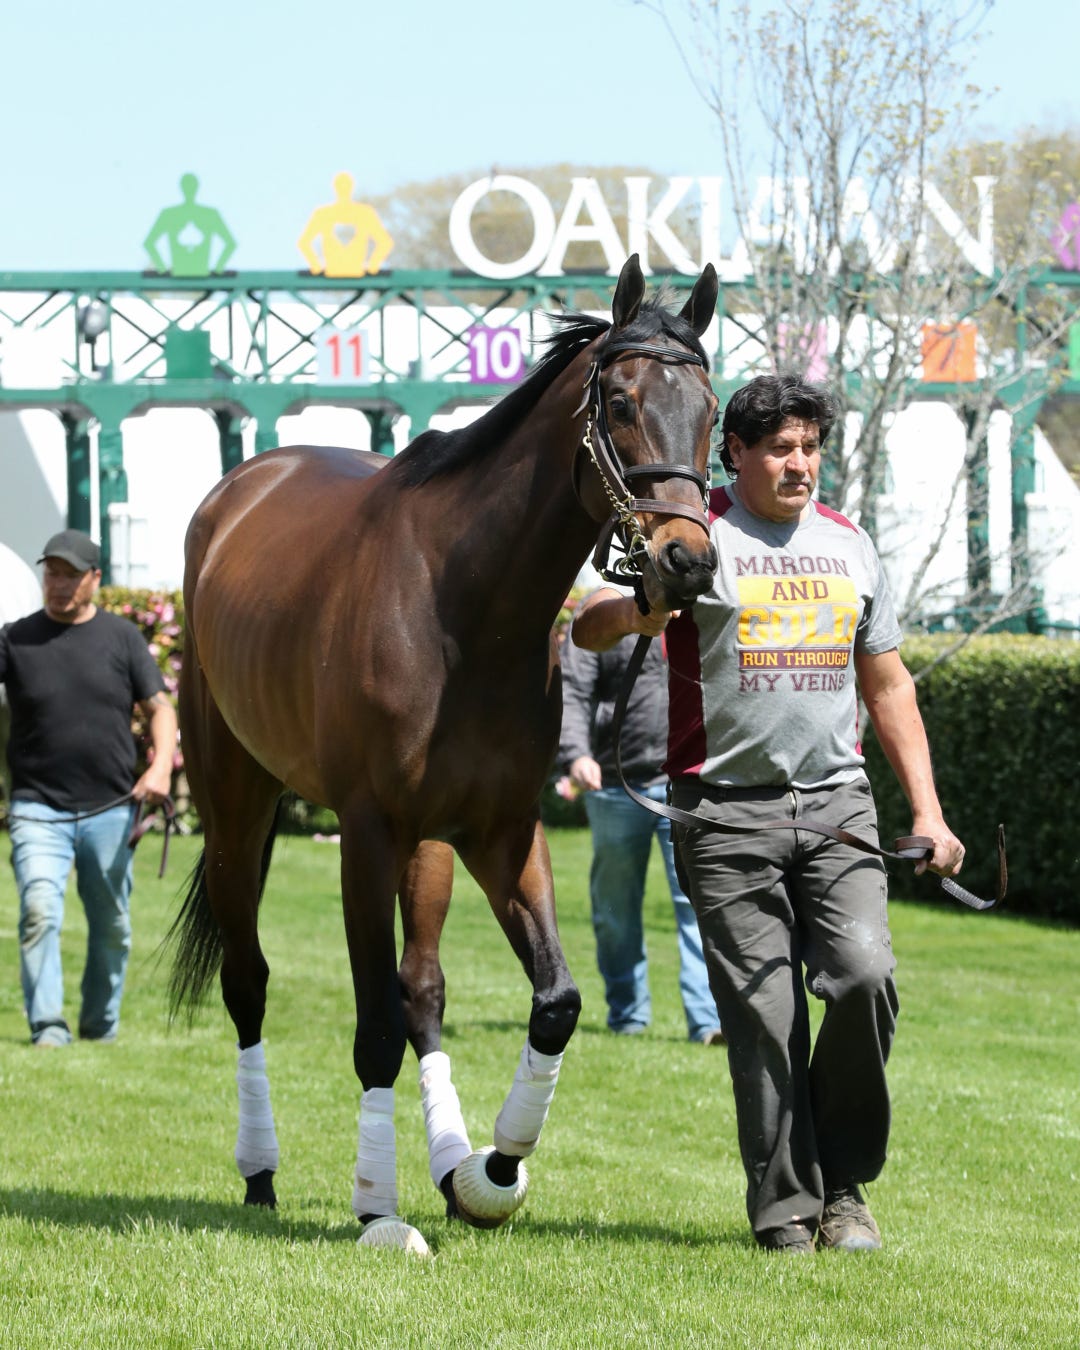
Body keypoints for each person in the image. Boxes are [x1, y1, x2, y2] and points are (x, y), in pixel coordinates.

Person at [570, 374, 965, 1254]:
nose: (799, 464)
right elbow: (586, 628)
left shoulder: (850, 544)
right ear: (735, 454)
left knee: (864, 976)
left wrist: (930, 813)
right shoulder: (694, 535)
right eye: (780, 448)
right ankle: (787, 1206)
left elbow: (888, 686)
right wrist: (638, 610)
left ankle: (845, 1187)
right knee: (765, 1013)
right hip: (722, 815)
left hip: (836, 806)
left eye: (810, 448)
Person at [0, 530, 178, 1048]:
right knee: (39, 910)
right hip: (37, 807)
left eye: (71, 575)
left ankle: (100, 1025)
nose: (58, 584)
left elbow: (161, 709)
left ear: (95, 579)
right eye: (52, 573)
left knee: (112, 925)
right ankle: (48, 1026)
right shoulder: (14, 639)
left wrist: (160, 768)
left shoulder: (122, 638)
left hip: (111, 808)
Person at [558, 585, 723, 1046]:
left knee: (699, 903)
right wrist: (576, 753)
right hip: (615, 784)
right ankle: (627, 1016)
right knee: (616, 911)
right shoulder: (607, 609)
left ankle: (708, 1022)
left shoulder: (702, 605)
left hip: (688, 786)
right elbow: (574, 687)